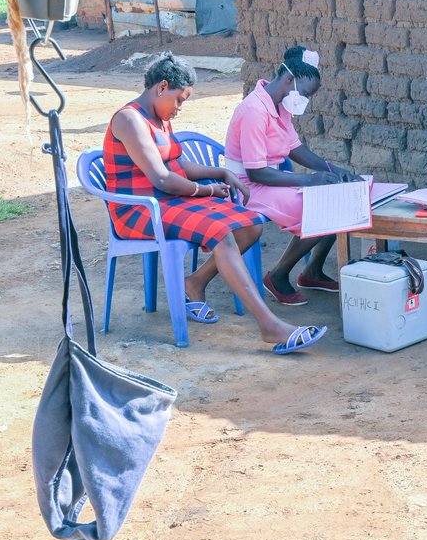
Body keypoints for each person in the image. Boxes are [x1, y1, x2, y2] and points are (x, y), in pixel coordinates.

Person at [103, 53, 325, 354]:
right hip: (140, 210)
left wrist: (221, 172)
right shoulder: (130, 119)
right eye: (179, 99)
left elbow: (178, 164)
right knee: (220, 233)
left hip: (168, 202)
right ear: (161, 87)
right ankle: (269, 325)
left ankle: (194, 284)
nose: (180, 108)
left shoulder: (158, 117)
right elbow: (162, 179)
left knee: (248, 227)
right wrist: (206, 191)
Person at [224, 45, 358, 307]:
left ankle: (312, 273)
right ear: (289, 80)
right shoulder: (254, 110)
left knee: (335, 200)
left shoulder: (280, 105)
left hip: (269, 181)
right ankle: (277, 276)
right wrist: (309, 180)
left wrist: (331, 169)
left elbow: (294, 148)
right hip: (248, 187)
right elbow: (256, 172)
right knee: (321, 210)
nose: (306, 100)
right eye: (306, 93)